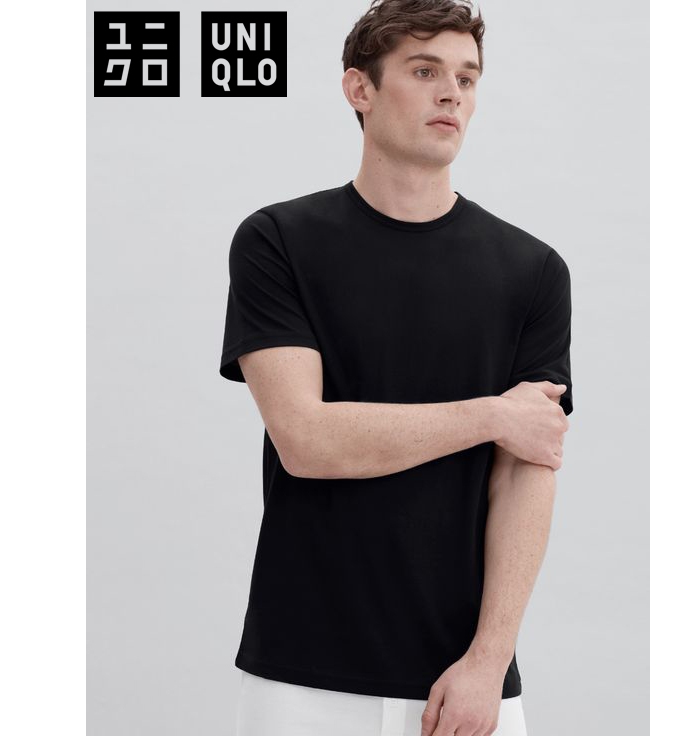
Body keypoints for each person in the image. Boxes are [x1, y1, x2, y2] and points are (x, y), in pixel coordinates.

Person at [218, 1, 573, 734]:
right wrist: (493, 414)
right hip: (300, 675)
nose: (452, 94)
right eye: (425, 71)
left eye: (467, 78)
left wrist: (488, 662)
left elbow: (525, 470)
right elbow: (307, 440)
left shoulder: (533, 270)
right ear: (361, 88)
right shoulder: (278, 241)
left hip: (465, 680)